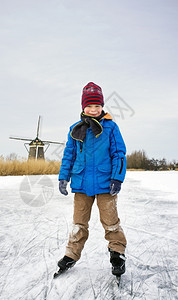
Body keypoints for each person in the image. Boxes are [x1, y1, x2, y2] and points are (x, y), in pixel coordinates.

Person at [57, 82, 127, 276]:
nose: (93, 109)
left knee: (111, 222)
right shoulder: (75, 129)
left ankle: (117, 253)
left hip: (106, 184)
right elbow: (68, 156)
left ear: (102, 106)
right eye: (89, 106)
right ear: (83, 107)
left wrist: (117, 178)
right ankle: (71, 255)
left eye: (97, 106)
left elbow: (119, 154)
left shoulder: (111, 127)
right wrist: (63, 178)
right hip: (81, 184)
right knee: (78, 224)